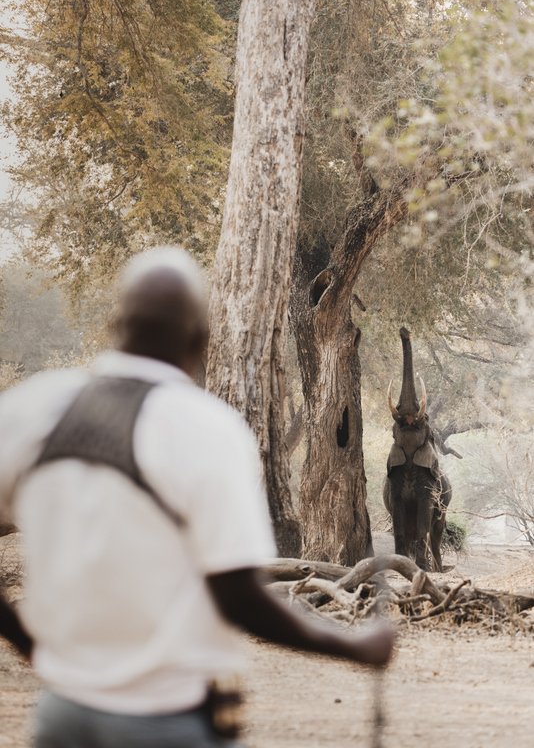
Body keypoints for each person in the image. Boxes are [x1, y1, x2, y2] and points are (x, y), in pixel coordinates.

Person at [0, 247, 394, 748]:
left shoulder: (29, 409)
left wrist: (31, 646)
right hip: (170, 721)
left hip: (62, 714)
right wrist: (356, 646)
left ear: (114, 323)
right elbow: (238, 596)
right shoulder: (206, 429)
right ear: (202, 339)